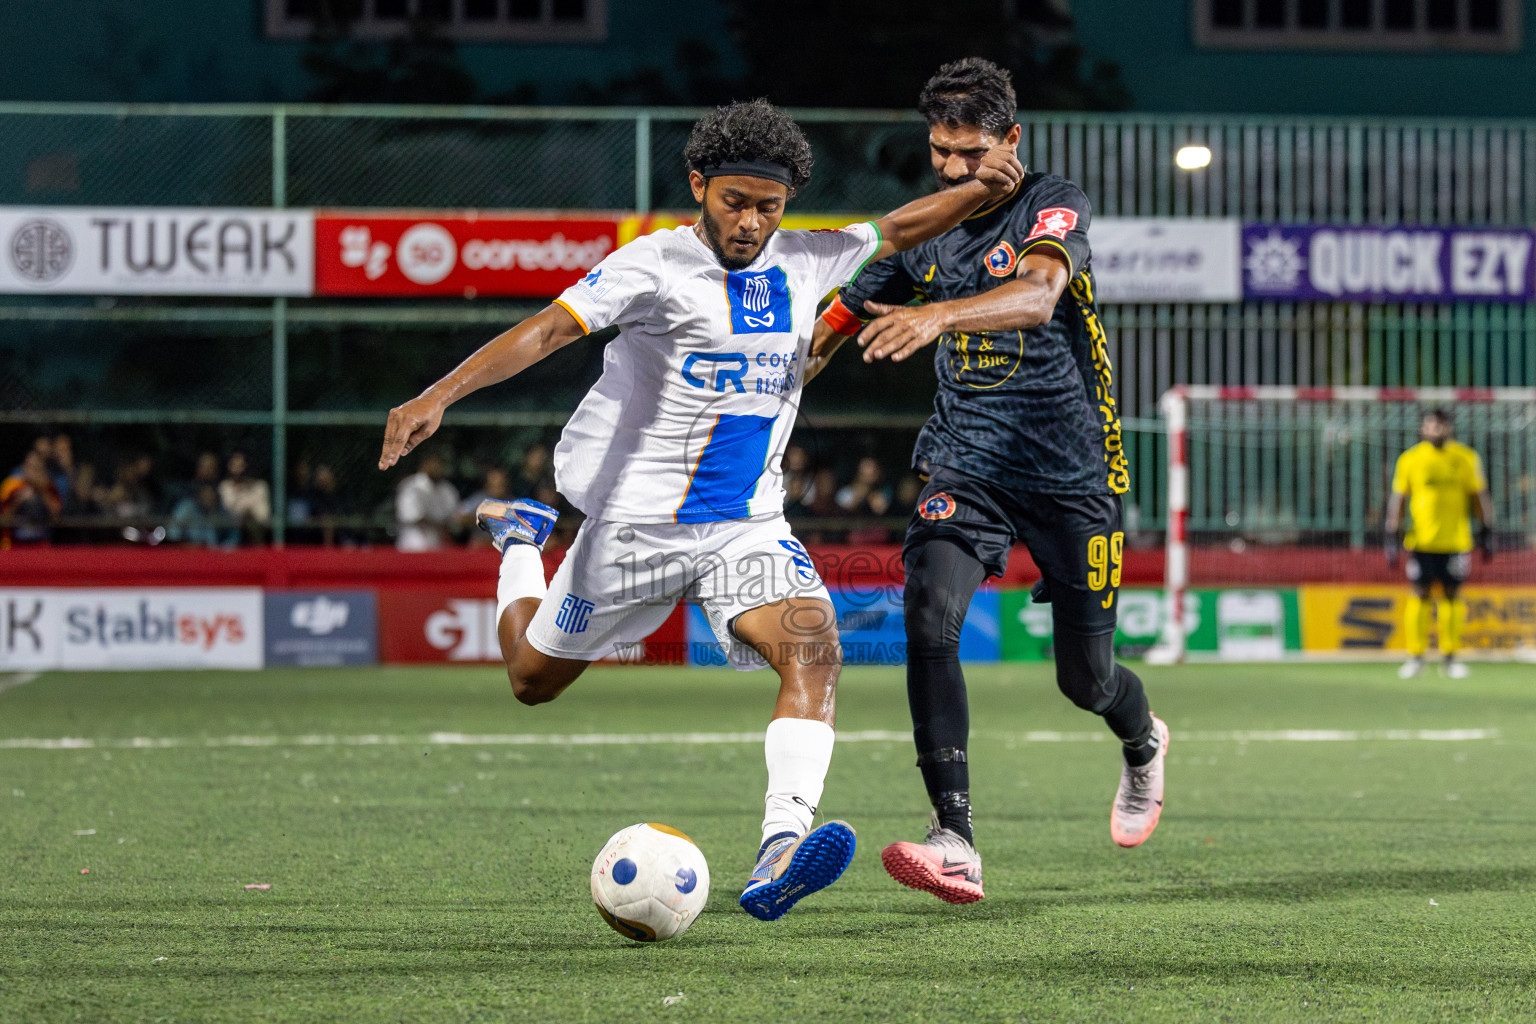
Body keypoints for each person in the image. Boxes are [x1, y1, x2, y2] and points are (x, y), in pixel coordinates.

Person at [377, 98, 1023, 922]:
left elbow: (897, 228)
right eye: (735, 202)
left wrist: (982, 189)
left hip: (745, 526)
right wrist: (439, 393)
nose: (752, 222)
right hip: (631, 529)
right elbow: (546, 332)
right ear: (698, 186)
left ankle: (780, 847)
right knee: (531, 680)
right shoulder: (652, 265)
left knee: (815, 649)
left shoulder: (807, 259)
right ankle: (518, 541)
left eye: (769, 206)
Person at [811, 58, 1168, 905]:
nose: (952, 169)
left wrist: (936, 315)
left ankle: (1143, 741)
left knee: (1086, 680)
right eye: (940, 152)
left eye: (970, 153)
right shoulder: (924, 228)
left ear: (1011, 140)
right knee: (928, 614)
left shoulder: (1054, 200)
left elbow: (1040, 293)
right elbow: (838, 318)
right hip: (966, 462)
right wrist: (775, 385)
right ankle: (955, 839)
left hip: (1071, 473)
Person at [1385, 408, 1494, 680]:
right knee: (1419, 594)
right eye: (1431, 425)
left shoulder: (1465, 457)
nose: (1436, 430)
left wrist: (1487, 529)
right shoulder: (1411, 459)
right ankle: (1415, 656)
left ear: (1449, 428)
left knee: (1452, 596)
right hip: (1421, 540)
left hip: (1456, 541)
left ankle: (1450, 657)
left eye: (1441, 425)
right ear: (1423, 429)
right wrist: (1391, 533)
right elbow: (1399, 498)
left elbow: (1479, 495)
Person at [394, 450, 459, 551]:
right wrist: (440, 524)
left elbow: (454, 516)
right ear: (425, 464)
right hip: (413, 544)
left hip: (439, 545)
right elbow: (412, 517)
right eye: (434, 463)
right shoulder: (411, 485)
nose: (438, 468)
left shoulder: (447, 489)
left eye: (440, 464)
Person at [219, 451, 271, 544]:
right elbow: (229, 512)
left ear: (247, 466)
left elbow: (264, 515)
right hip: (233, 530)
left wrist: (245, 508)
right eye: (234, 466)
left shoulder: (260, 486)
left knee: (253, 524)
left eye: (241, 466)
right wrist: (246, 506)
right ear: (229, 467)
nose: (238, 470)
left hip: (256, 530)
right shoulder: (225, 486)